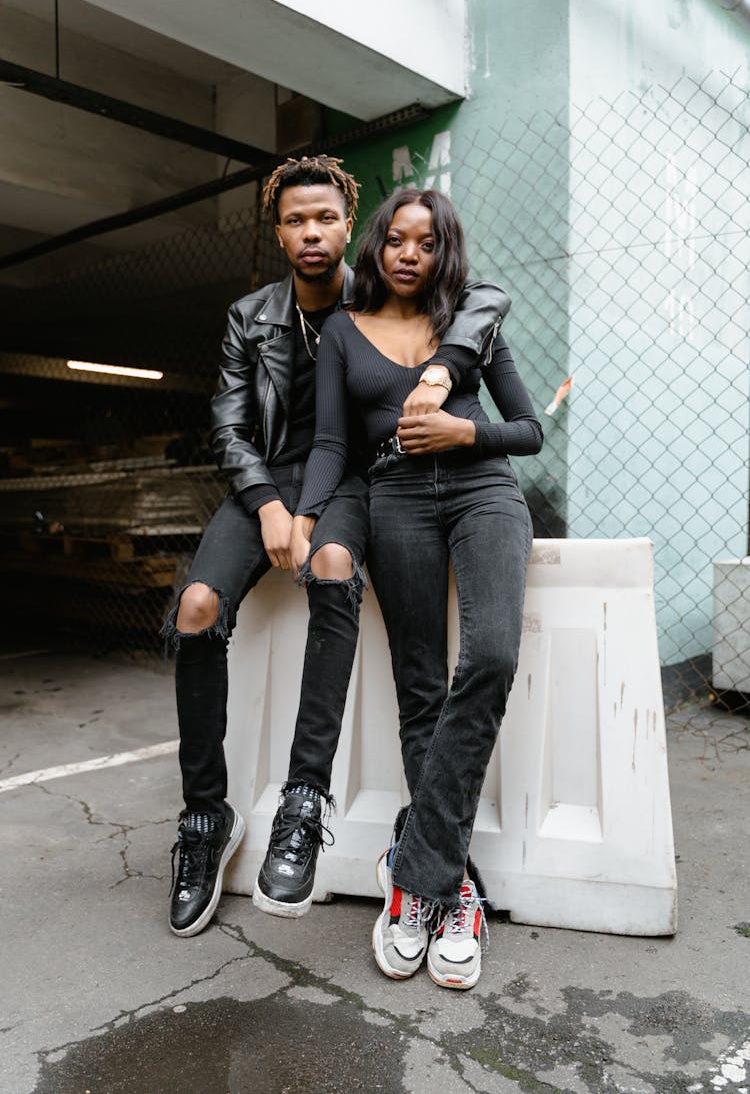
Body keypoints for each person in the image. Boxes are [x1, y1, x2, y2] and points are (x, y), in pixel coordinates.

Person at [162, 157, 513, 937]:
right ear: (278, 230)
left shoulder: (381, 297)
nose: (310, 232)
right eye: (294, 220)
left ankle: (302, 803)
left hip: (351, 481)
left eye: (324, 218)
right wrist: (269, 506)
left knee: (331, 563)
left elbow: (482, 297)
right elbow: (227, 426)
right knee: (194, 606)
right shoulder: (249, 315)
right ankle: (202, 819)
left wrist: (314, 512)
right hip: (263, 485)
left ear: (351, 224)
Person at [291, 188, 543, 988]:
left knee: (493, 653)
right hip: (395, 499)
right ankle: (453, 890)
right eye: (396, 240)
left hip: (482, 490)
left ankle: (414, 877)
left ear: (443, 252)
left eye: (425, 244)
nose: (408, 254)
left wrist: (464, 429)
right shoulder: (341, 330)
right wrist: (304, 516)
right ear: (375, 247)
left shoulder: (469, 323)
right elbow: (332, 442)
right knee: (420, 689)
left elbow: (530, 429)